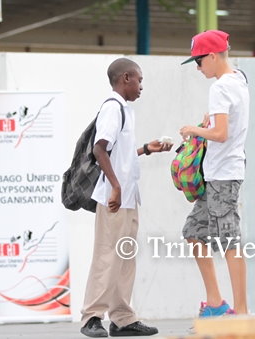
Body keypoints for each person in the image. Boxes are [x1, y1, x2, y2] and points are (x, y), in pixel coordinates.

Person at [80, 58, 172, 338]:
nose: (141, 86)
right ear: (126, 78)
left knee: (124, 259)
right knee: (107, 257)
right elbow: (99, 149)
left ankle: (121, 318)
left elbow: (119, 155)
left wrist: (146, 149)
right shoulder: (113, 108)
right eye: (139, 80)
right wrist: (116, 187)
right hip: (115, 198)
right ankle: (91, 317)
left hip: (128, 198)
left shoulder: (124, 110)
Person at [179, 30, 250, 317]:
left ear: (211, 56)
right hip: (219, 174)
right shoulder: (239, 79)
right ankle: (215, 303)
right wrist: (206, 125)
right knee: (193, 232)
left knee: (230, 242)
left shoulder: (220, 87)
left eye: (198, 61)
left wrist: (193, 130)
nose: (197, 68)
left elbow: (221, 134)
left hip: (223, 175)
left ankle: (241, 313)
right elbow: (224, 127)